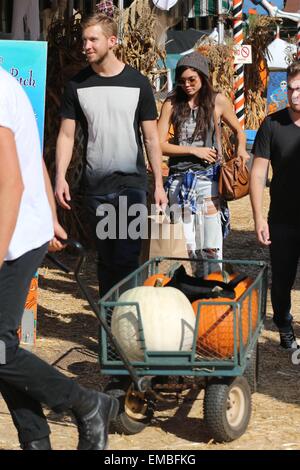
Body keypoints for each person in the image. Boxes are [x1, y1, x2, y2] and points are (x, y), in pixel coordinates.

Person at [0, 65, 119, 450]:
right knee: (2, 350)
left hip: (13, 235)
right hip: (20, 227)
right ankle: (37, 440)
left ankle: (86, 404)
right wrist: (51, 214)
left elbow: (11, 184)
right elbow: (28, 154)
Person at [55, 13, 167, 296]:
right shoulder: (77, 85)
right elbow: (66, 135)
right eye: (84, 40)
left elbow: (151, 137)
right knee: (105, 260)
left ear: (112, 41)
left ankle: (125, 324)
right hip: (96, 188)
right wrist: (59, 177)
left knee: (127, 258)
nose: (86, 46)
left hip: (131, 185)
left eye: (93, 39)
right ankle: (108, 326)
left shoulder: (137, 83)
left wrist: (159, 185)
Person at [157, 51, 249, 272]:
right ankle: (191, 285)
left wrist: (241, 150)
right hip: (179, 180)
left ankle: (213, 283)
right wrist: (193, 151)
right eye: (182, 80)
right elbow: (159, 144)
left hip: (209, 178)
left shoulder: (218, 101)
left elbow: (239, 130)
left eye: (192, 80)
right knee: (186, 242)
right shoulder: (171, 103)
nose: (187, 85)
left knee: (211, 239)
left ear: (203, 77)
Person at [250, 60, 300, 351]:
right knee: (282, 280)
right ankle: (283, 324)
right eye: (291, 88)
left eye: (299, 89)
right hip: (281, 219)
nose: (294, 95)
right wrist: (258, 218)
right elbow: (258, 174)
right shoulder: (272, 124)